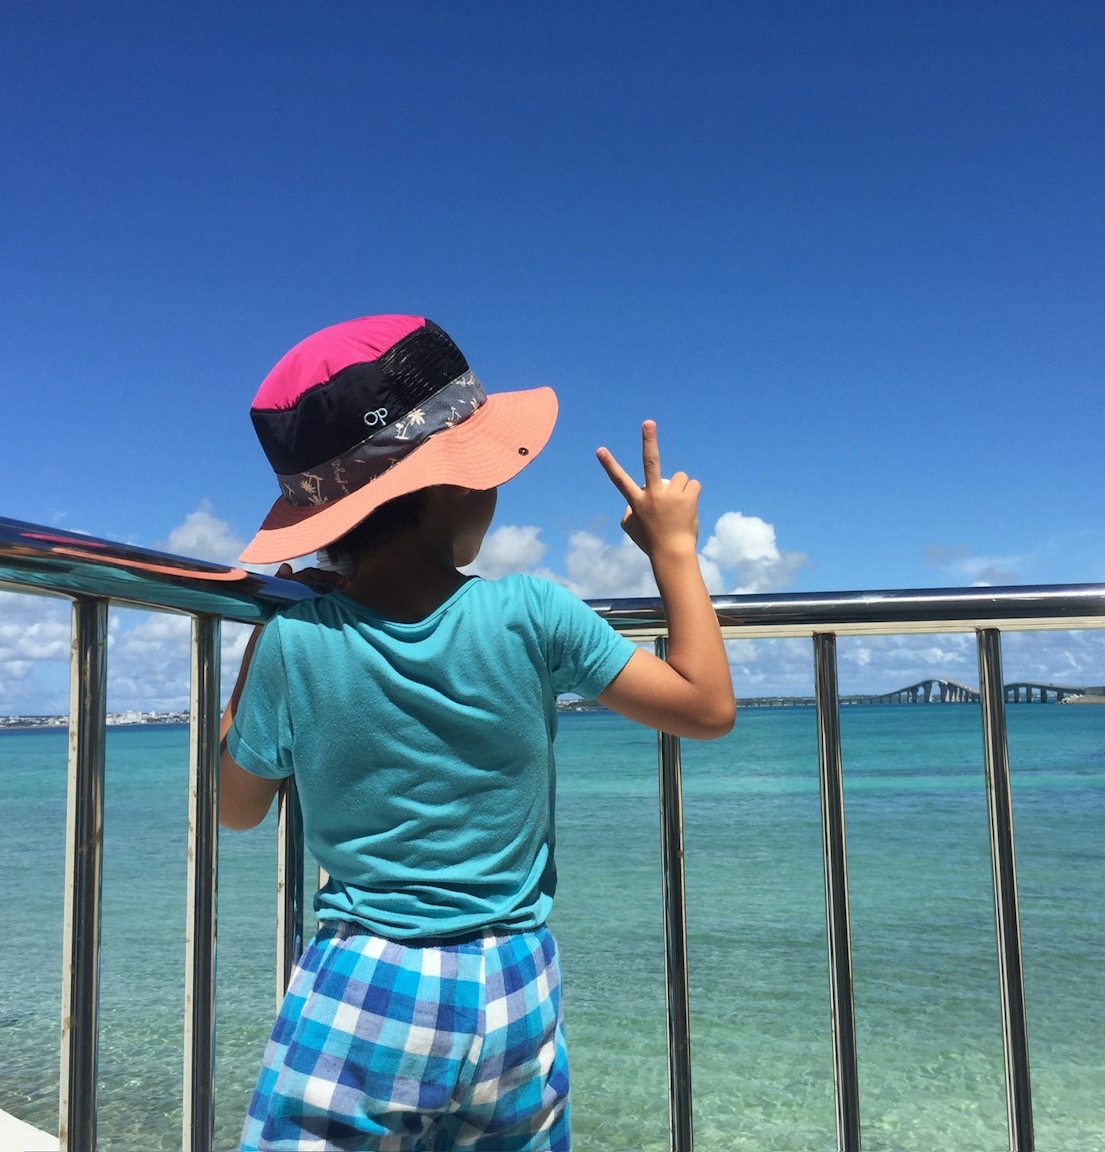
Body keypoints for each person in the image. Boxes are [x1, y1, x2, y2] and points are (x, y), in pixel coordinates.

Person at [218, 314, 734, 1151]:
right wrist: (672, 552)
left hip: (368, 981)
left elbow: (236, 809)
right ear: (448, 487)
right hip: (514, 979)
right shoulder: (533, 613)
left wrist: (262, 641)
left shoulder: (297, 641)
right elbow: (706, 706)